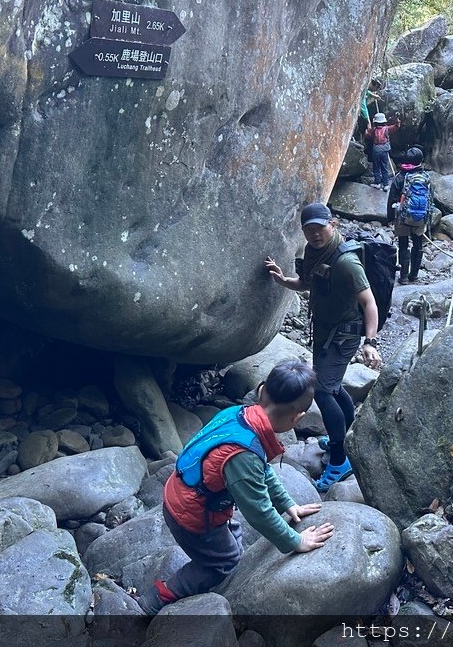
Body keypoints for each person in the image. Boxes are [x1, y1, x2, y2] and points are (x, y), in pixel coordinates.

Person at [139, 360, 334, 616]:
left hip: (182, 492)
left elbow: (262, 470)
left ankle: (221, 560)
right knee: (223, 562)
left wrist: (288, 504)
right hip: (192, 515)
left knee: (233, 536)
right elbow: (259, 512)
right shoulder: (244, 453)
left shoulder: (238, 416)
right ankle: (160, 596)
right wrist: (295, 541)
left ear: (262, 391)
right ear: (297, 417)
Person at [264, 203, 382, 492]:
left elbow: (369, 303)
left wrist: (370, 342)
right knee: (332, 384)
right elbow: (307, 283)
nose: (315, 234)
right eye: (309, 229)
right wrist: (282, 280)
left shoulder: (347, 263)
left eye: (320, 227)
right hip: (325, 330)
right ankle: (348, 434)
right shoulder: (314, 251)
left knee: (323, 390)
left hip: (344, 334)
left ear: (333, 225)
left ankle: (340, 459)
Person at [387, 147, 430, 284]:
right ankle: (414, 275)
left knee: (404, 244)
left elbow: (392, 198)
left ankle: (404, 277)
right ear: (421, 161)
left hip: (403, 217)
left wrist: (389, 218)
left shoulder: (400, 177)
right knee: (418, 244)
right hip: (420, 217)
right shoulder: (425, 178)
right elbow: (430, 198)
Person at [366, 112, 400, 190]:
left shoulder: (373, 130)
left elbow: (368, 136)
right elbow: (396, 126)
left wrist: (367, 129)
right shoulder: (387, 129)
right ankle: (386, 184)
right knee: (384, 167)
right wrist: (397, 120)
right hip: (385, 150)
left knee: (376, 167)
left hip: (376, 150)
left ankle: (377, 183)